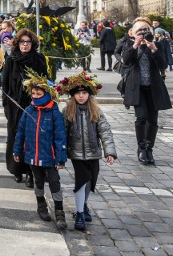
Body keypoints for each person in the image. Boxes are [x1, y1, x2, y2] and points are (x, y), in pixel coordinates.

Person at [58, 71, 116, 231]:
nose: (81, 96)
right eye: (78, 93)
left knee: (91, 181)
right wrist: (61, 154)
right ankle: (80, 214)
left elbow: (105, 131)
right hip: (77, 153)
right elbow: (62, 133)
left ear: (89, 95)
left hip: (93, 152)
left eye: (84, 93)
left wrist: (109, 152)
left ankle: (83, 204)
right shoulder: (68, 111)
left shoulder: (95, 111)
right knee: (81, 182)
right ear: (73, 95)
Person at [13, 71, 67, 230]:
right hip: (32, 156)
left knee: (54, 182)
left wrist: (60, 158)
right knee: (38, 181)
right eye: (34, 93)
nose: (35, 96)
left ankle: (59, 211)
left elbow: (60, 137)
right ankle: (41, 205)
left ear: (47, 93)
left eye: (39, 93)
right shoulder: (29, 111)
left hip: (49, 156)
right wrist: (17, 151)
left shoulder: (54, 113)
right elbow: (20, 133)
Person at [1, 29, 48, 188]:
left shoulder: (39, 59)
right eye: (22, 42)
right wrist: (7, 105)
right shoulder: (11, 60)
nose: (25, 45)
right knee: (15, 137)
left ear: (32, 43)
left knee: (32, 139)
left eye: (28, 42)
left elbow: (45, 81)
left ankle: (31, 172)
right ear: (17, 43)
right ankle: (16, 170)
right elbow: (5, 84)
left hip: (33, 105)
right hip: (15, 106)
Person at [122, 18, 171, 165]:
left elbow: (163, 64)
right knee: (141, 117)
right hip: (137, 88)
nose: (143, 33)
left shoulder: (158, 45)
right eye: (140, 31)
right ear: (134, 33)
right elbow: (125, 60)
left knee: (153, 120)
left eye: (146, 31)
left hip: (153, 87)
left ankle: (150, 149)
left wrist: (153, 48)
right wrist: (135, 45)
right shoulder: (130, 45)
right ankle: (141, 149)